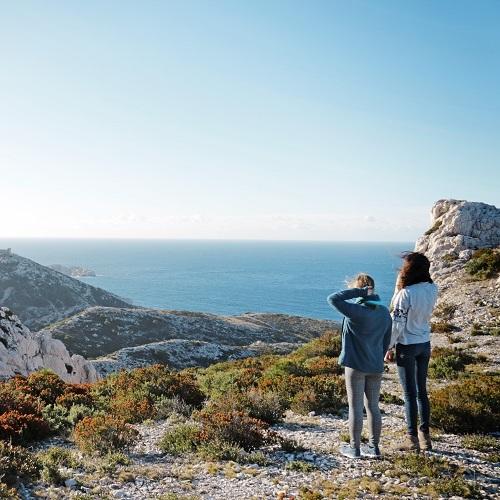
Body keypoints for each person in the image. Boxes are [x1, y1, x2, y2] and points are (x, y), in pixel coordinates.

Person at [327, 274, 392, 459]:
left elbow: (332, 299)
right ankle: (374, 447)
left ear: (360, 288)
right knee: (373, 406)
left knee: (355, 407)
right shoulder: (384, 312)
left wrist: (358, 292)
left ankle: (354, 449)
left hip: (355, 365)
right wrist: (377, 359)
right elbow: (386, 341)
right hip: (375, 365)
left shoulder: (356, 310)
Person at [385, 252, 438, 452]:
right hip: (425, 343)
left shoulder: (405, 294)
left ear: (409, 269)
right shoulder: (433, 288)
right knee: (422, 392)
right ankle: (426, 437)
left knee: (409, 394)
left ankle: (412, 439)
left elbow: (397, 324)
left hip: (407, 345)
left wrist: (389, 347)